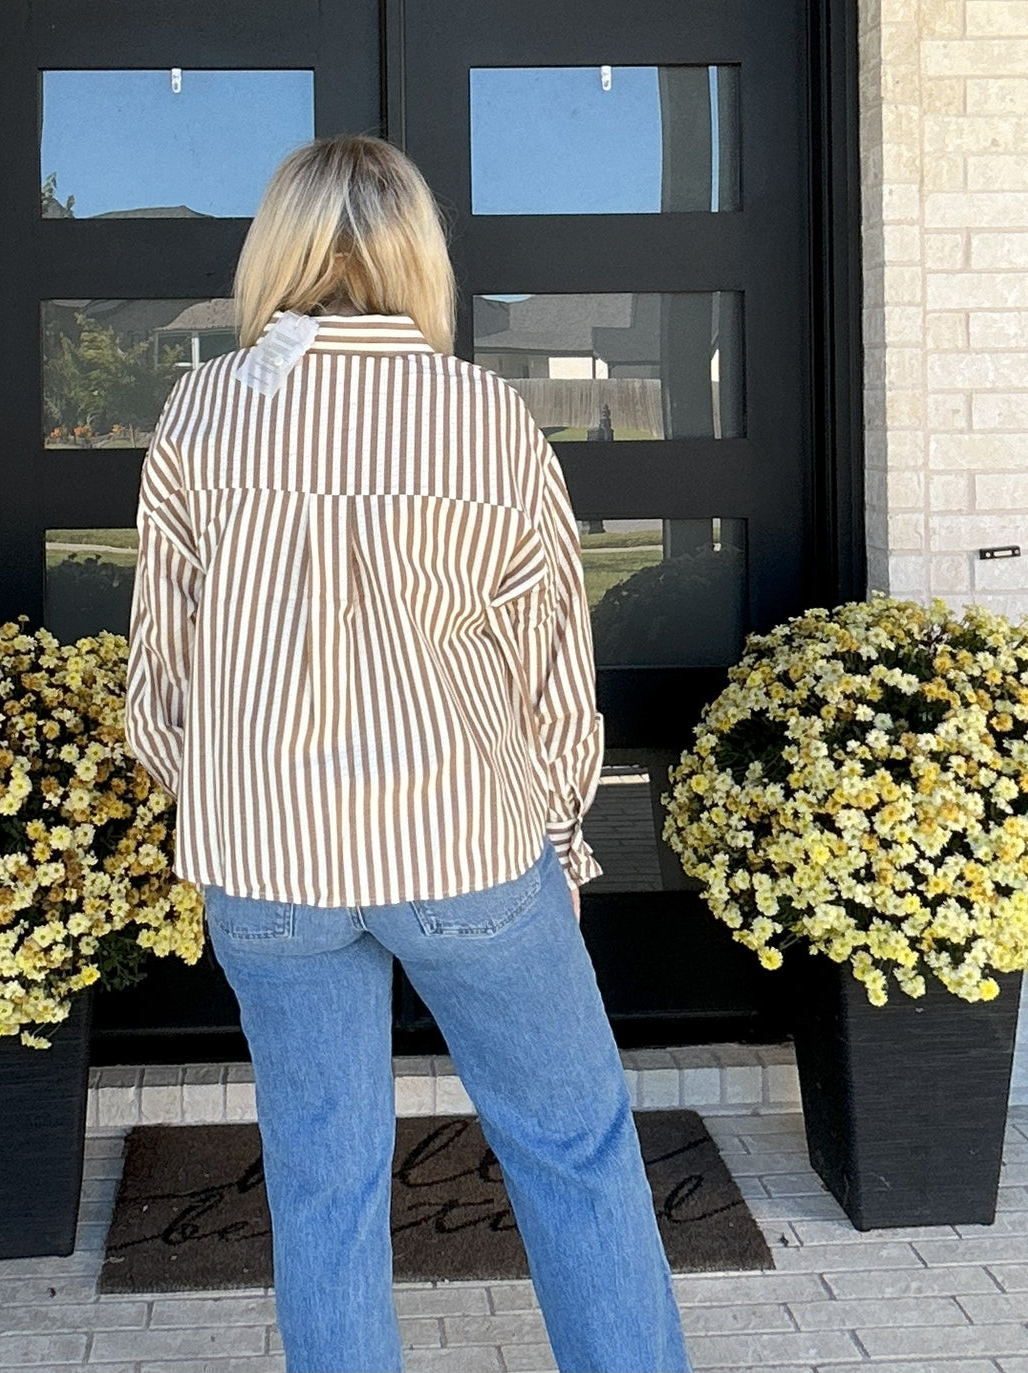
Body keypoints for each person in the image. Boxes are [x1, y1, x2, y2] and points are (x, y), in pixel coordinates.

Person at [125, 133, 693, 1373]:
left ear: (277, 248)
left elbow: (156, 676)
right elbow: (551, 665)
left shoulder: (204, 411)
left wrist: (224, 799)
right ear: (416, 256)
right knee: (571, 1143)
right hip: (465, 848)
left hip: (268, 868)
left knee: (321, 1180)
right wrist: (554, 832)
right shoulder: (485, 417)